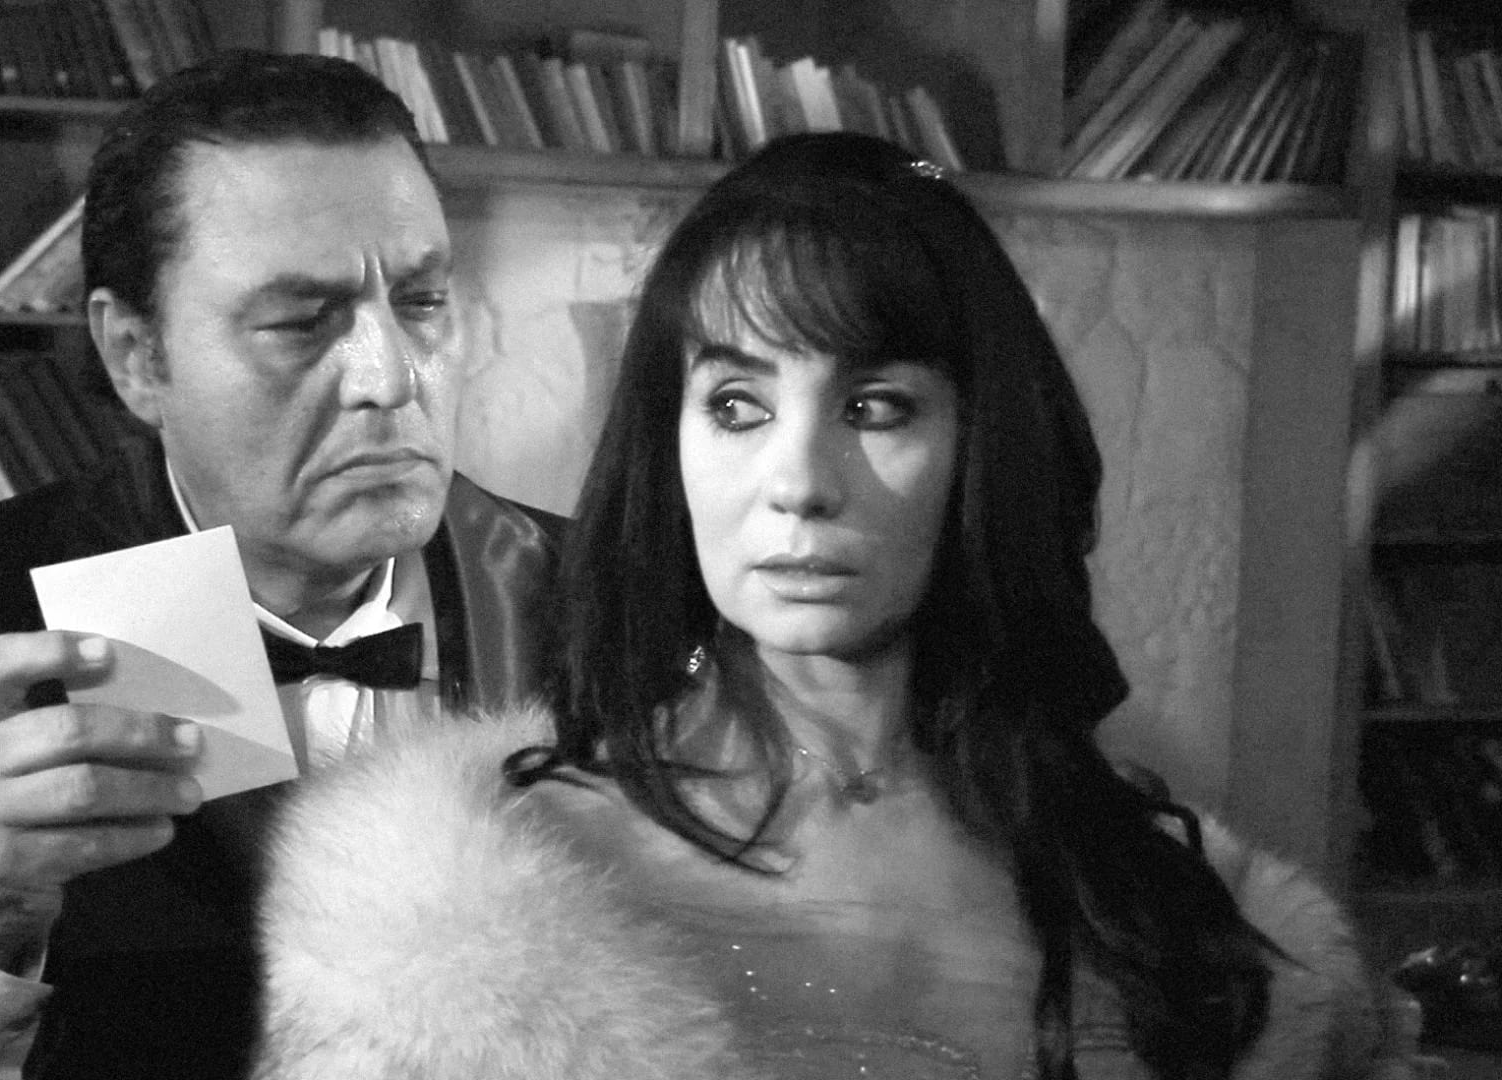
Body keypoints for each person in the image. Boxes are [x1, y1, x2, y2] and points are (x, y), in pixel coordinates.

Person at [253, 133, 1406, 1079]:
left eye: (874, 407)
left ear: (979, 448)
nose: (798, 483)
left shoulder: (1165, 893)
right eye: (738, 406)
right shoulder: (466, 895)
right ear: (670, 449)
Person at [0, 51, 561, 1080]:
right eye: (301, 322)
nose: (389, 378)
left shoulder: (610, 598)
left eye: (420, 301)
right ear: (136, 357)